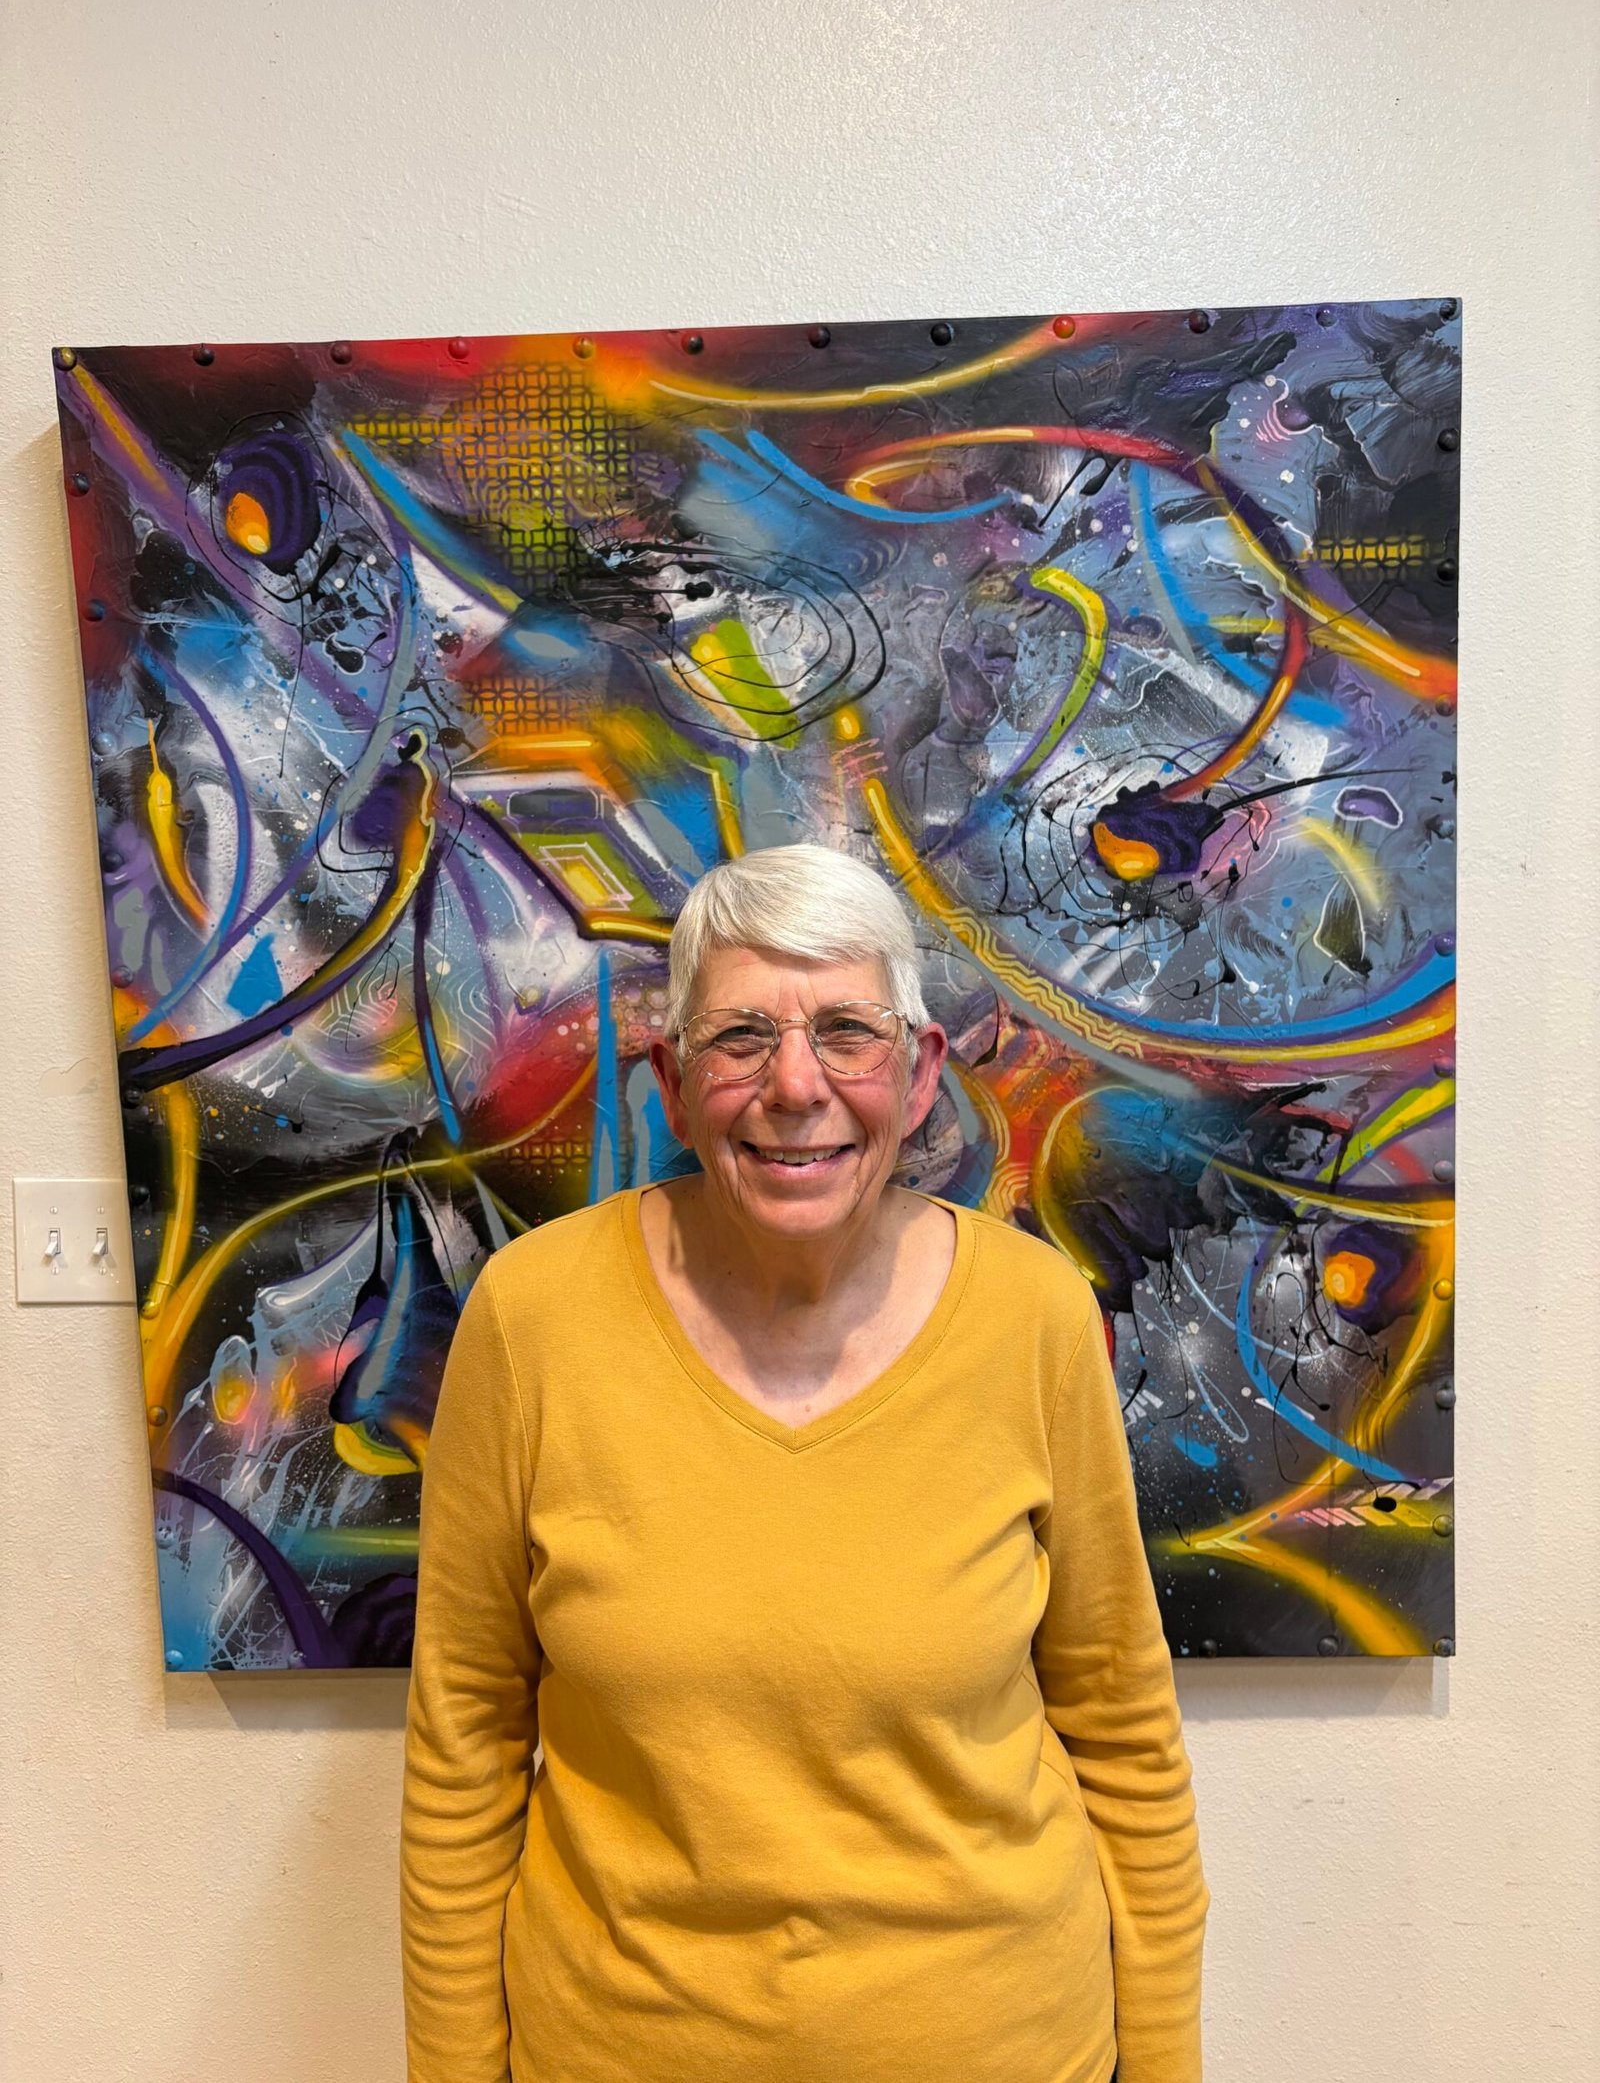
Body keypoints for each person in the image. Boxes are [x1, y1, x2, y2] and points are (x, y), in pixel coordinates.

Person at [400, 841, 1208, 2083]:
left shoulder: (1034, 1317)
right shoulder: (532, 1320)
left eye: (846, 1033)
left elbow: (1122, 1728)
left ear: (921, 1073)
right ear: (672, 1084)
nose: (794, 1086)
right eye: (739, 1039)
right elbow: (464, 1743)